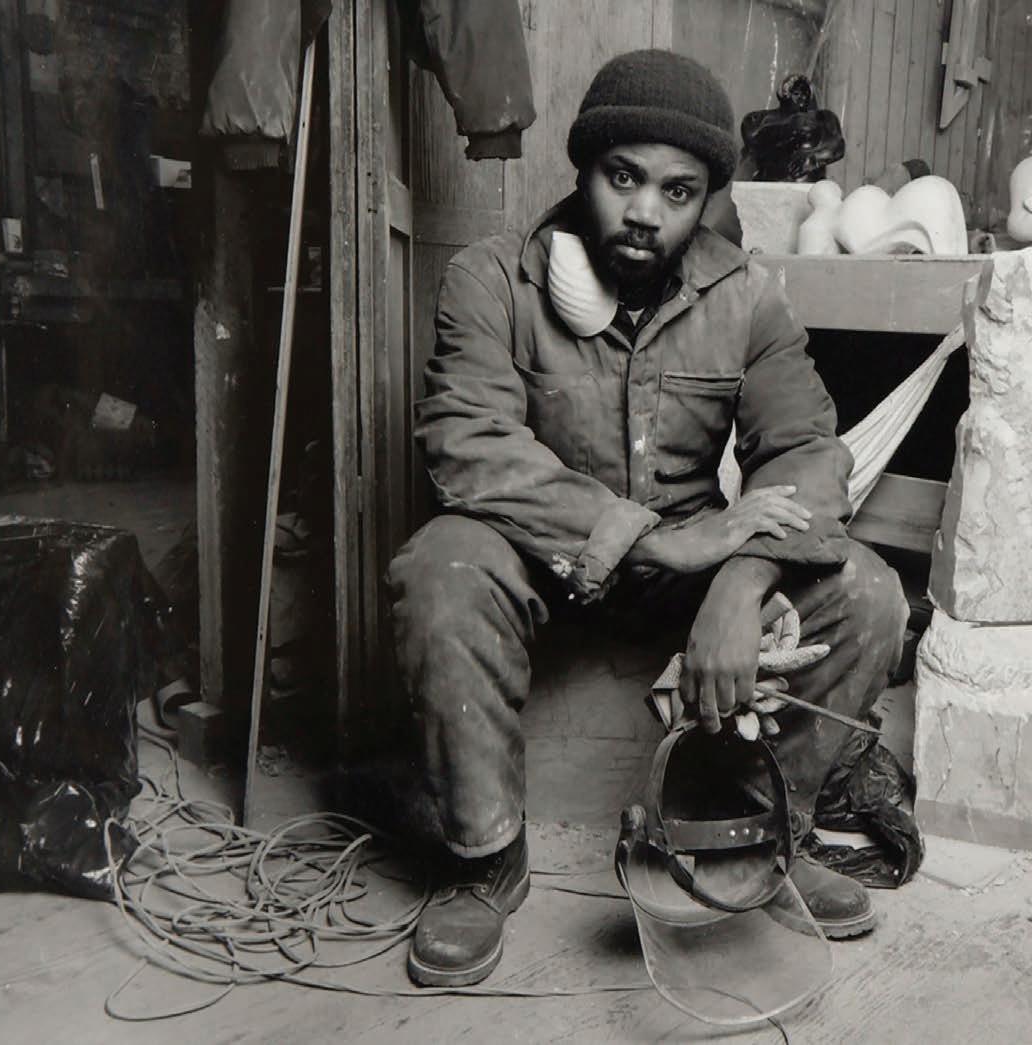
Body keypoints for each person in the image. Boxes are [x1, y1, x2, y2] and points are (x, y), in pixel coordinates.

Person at [386, 49, 908, 989]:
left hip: (695, 579)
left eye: (678, 191)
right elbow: (468, 444)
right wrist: (656, 536)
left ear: (705, 199)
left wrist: (742, 584)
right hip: (542, 559)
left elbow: (808, 454)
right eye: (622, 177)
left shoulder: (747, 294)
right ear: (584, 168)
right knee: (440, 565)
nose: (644, 212)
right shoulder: (491, 279)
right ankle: (482, 859)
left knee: (869, 591)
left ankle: (759, 834)